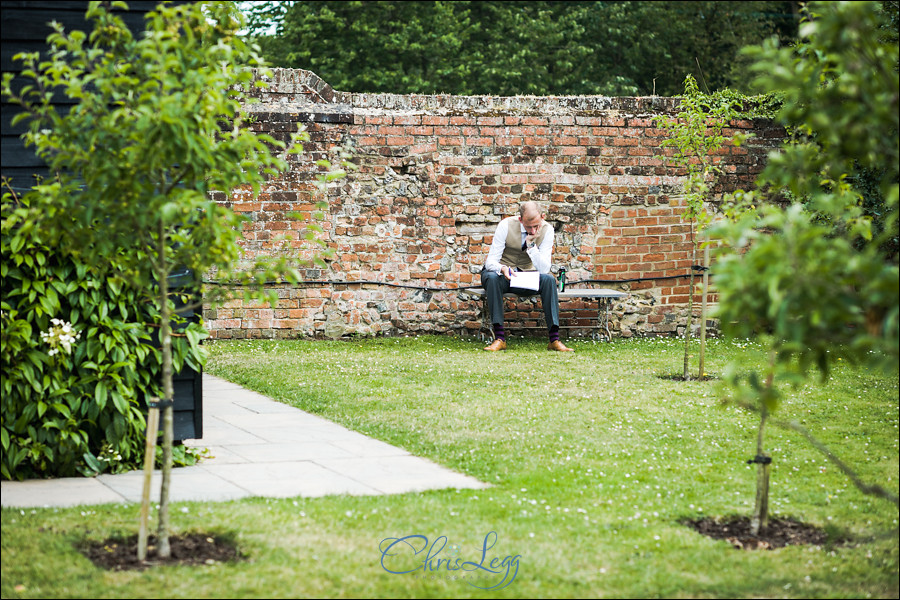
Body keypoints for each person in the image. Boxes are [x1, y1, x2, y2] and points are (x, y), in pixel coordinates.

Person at [480, 201, 574, 352]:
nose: (532, 230)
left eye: (536, 226)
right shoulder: (506, 225)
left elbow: (544, 268)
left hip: (526, 276)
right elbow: (491, 261)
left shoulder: (547, 230)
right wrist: (503, 268)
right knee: (491, 277)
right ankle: (499, 338)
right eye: (528, 226)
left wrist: (531, 246)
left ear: (543, 217)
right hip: (502, 276)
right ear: (520, 219)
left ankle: (554, 339)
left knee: (549, 280)